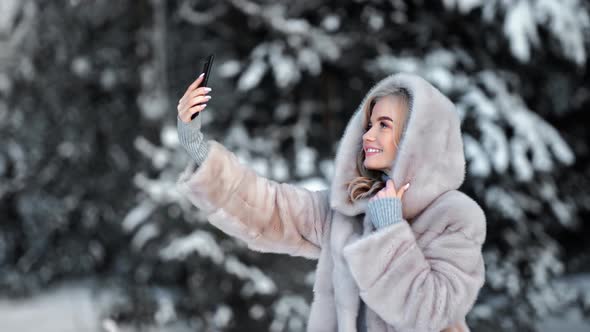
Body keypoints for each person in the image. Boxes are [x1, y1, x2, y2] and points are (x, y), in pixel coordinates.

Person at [176, 72, 486, 332]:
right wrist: (197, 147)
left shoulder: (455, 217)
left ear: (416, 138)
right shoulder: (349, 211)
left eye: (384, 125)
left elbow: (429, 313)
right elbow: (269, 208)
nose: (367, 135)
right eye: (368, 125)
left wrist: (390, 227)